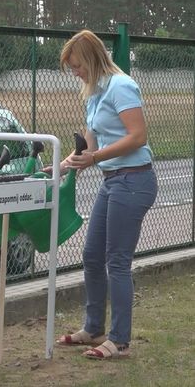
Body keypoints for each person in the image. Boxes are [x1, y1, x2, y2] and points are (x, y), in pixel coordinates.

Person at [53, 29, 158, 359]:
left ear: (92, 59)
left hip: (134, 181)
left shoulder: (121, 86)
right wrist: (56, 167)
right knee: (92, 257)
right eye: (71, 68)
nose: (75, 73)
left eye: (77, 66)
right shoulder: (95, 93)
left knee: (117, 262)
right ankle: (93, 328)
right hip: (112, 181)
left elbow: (138, 136)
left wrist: (95, 158)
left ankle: (119, 340)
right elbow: (89, 146)